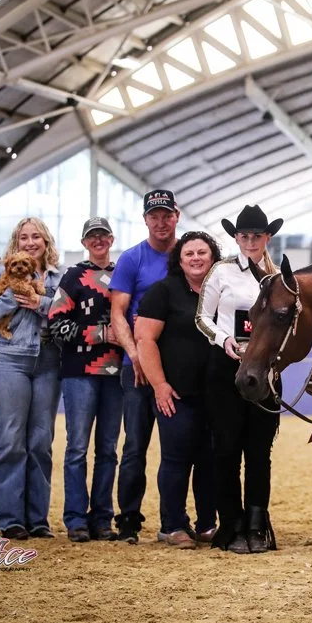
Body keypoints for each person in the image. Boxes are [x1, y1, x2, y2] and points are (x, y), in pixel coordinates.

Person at [195, 205, 282, 554]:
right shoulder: (221, 271)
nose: (250, 241)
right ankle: (231, 523)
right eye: (244, 235)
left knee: (260, 453)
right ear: (236, 238)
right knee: (227, 449)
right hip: (226, 369)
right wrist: (224, 340)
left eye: (256, 235)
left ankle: (258, 524)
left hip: (265, 373)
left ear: (267, 238)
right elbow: (203, 317)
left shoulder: (279, 277)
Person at [0, 217, 63, 540]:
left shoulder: (58, 275)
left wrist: (41, 303)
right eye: (23, 237)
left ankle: (37, 519)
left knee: (41, 441)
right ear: (16, 243)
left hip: (48, 362)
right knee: (10, 439)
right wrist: (11, 297)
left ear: (46, 241)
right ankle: (10, 518)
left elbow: (68, 314)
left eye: (36, 236)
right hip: (9, 361)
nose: (30, 242)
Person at [136, 231, 221, 549]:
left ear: (213, 256)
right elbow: (145, 340)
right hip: (175, 394)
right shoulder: (164, 292)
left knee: (210, 459)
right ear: (179, 260)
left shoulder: (221, 291)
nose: (197, 258)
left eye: (203, 252)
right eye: (190, 254)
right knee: (176, 459)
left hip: (215, 393)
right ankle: (172, 525)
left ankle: (207, 524)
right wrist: (159, 385)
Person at [110, 189, 180, 543]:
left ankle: (172, 522)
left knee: (176, 448)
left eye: (166, 215)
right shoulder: (131, 259)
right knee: (134, 446)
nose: (161, 221)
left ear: (177, 216)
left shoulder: (188, 256)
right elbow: (117, 314)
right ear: (145, 220)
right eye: (154, 216)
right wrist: (135, 354)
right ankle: (128, 521)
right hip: (135, 369)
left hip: (176, 370)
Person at [48, 217, 123, 543]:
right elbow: (56, 323)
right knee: (77, 448)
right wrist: (100, 333)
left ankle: (102, 519)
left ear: (111, 238)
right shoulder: (74, 276)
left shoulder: (123, 275)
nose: (98, 240)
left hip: (116, 374)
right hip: (80, 373)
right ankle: (76, 519)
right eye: (92, 236)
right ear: (84, 242)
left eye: (103, 235)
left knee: (108, 449)